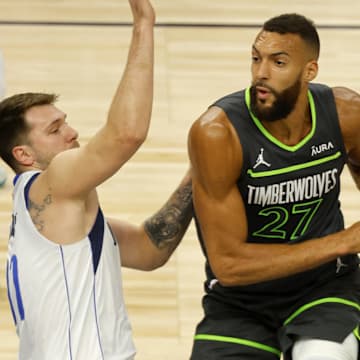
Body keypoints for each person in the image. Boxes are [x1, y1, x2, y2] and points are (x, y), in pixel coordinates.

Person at [1, 0, 193, 359]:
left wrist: (200, 168)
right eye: (55, 129)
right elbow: (126, 134)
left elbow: (152, 249)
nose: (72, 133)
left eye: (66, 121)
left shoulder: (56, 221)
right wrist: (143, 24)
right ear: (23, 156)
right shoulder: (50, 184)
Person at [188, 13, 360, 360]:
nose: (260, 73)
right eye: (256, 59)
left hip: (325, 289)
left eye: (278, 62)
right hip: (242, 302)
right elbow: (229, 265)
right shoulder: (217, 133)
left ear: (310, 71)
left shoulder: (346, 114)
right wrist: (344, 241)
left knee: (323, 356)